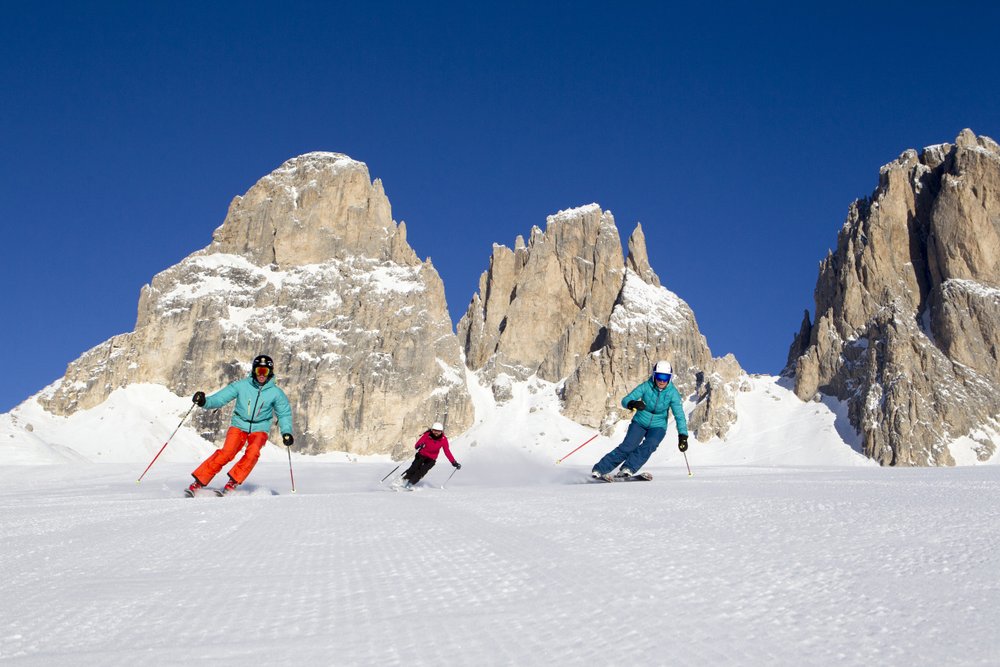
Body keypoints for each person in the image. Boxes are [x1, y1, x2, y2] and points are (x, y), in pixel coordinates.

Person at [186, 354, 294, 496]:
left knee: (253, 453)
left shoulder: (276, 393)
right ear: (254, 371)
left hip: (260, 428)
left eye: (265, 371)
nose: (262, 375)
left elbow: (284, 414)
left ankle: (233, 482)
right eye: (259, 371)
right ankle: (198, 482)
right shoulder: (241, 386)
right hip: (239, 424)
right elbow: (220, 398)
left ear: (270, 372)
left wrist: (286, 432)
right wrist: (204, 402)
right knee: (227, 453)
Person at [592, 360, 689, 480]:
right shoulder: (646, 386)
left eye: (665, 377)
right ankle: (600, 469)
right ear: (654, 375)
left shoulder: (673, 393)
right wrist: (633, 403)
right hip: (640, 422)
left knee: (651, 444)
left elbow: (679, 416)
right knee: (628, 446)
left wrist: (683, 436)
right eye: (659, 377)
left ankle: (628, 468)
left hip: (658, 426)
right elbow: (625, 400)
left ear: (670, 378)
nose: (662, 381)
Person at [396, 422, 460, 488]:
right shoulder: (427, 435)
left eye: (438, 431)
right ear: (432, 430)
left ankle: (410, 484)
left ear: (441, 431)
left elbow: (447, 451)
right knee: (414, 468)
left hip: (431, 459)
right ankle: (403, 480)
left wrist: (453, 462)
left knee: (421, 472)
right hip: (421, 455)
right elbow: (417, 445)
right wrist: (419, 445)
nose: (436, 433)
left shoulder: (443, 439)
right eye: (434, 430)